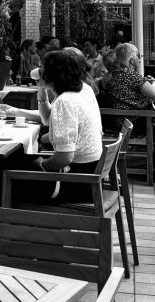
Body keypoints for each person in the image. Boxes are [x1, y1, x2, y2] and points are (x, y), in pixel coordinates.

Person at [8, 49, 104, 201]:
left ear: (54, 75)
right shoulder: (82, 90)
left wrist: (43, 165)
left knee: (4, 172)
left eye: (44, 68)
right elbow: (47, 120)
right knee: (17, 160)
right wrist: (42, 89)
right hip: (89, 176)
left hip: (76, 184)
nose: (40, 71)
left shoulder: (65, 101)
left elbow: (65, 157)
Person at [102, 42, 155, 181]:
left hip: (124, 119)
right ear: (132, 60)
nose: (140, 59)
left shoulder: (115, 76)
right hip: (136, 120)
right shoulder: (131, 77)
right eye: (138, 56)